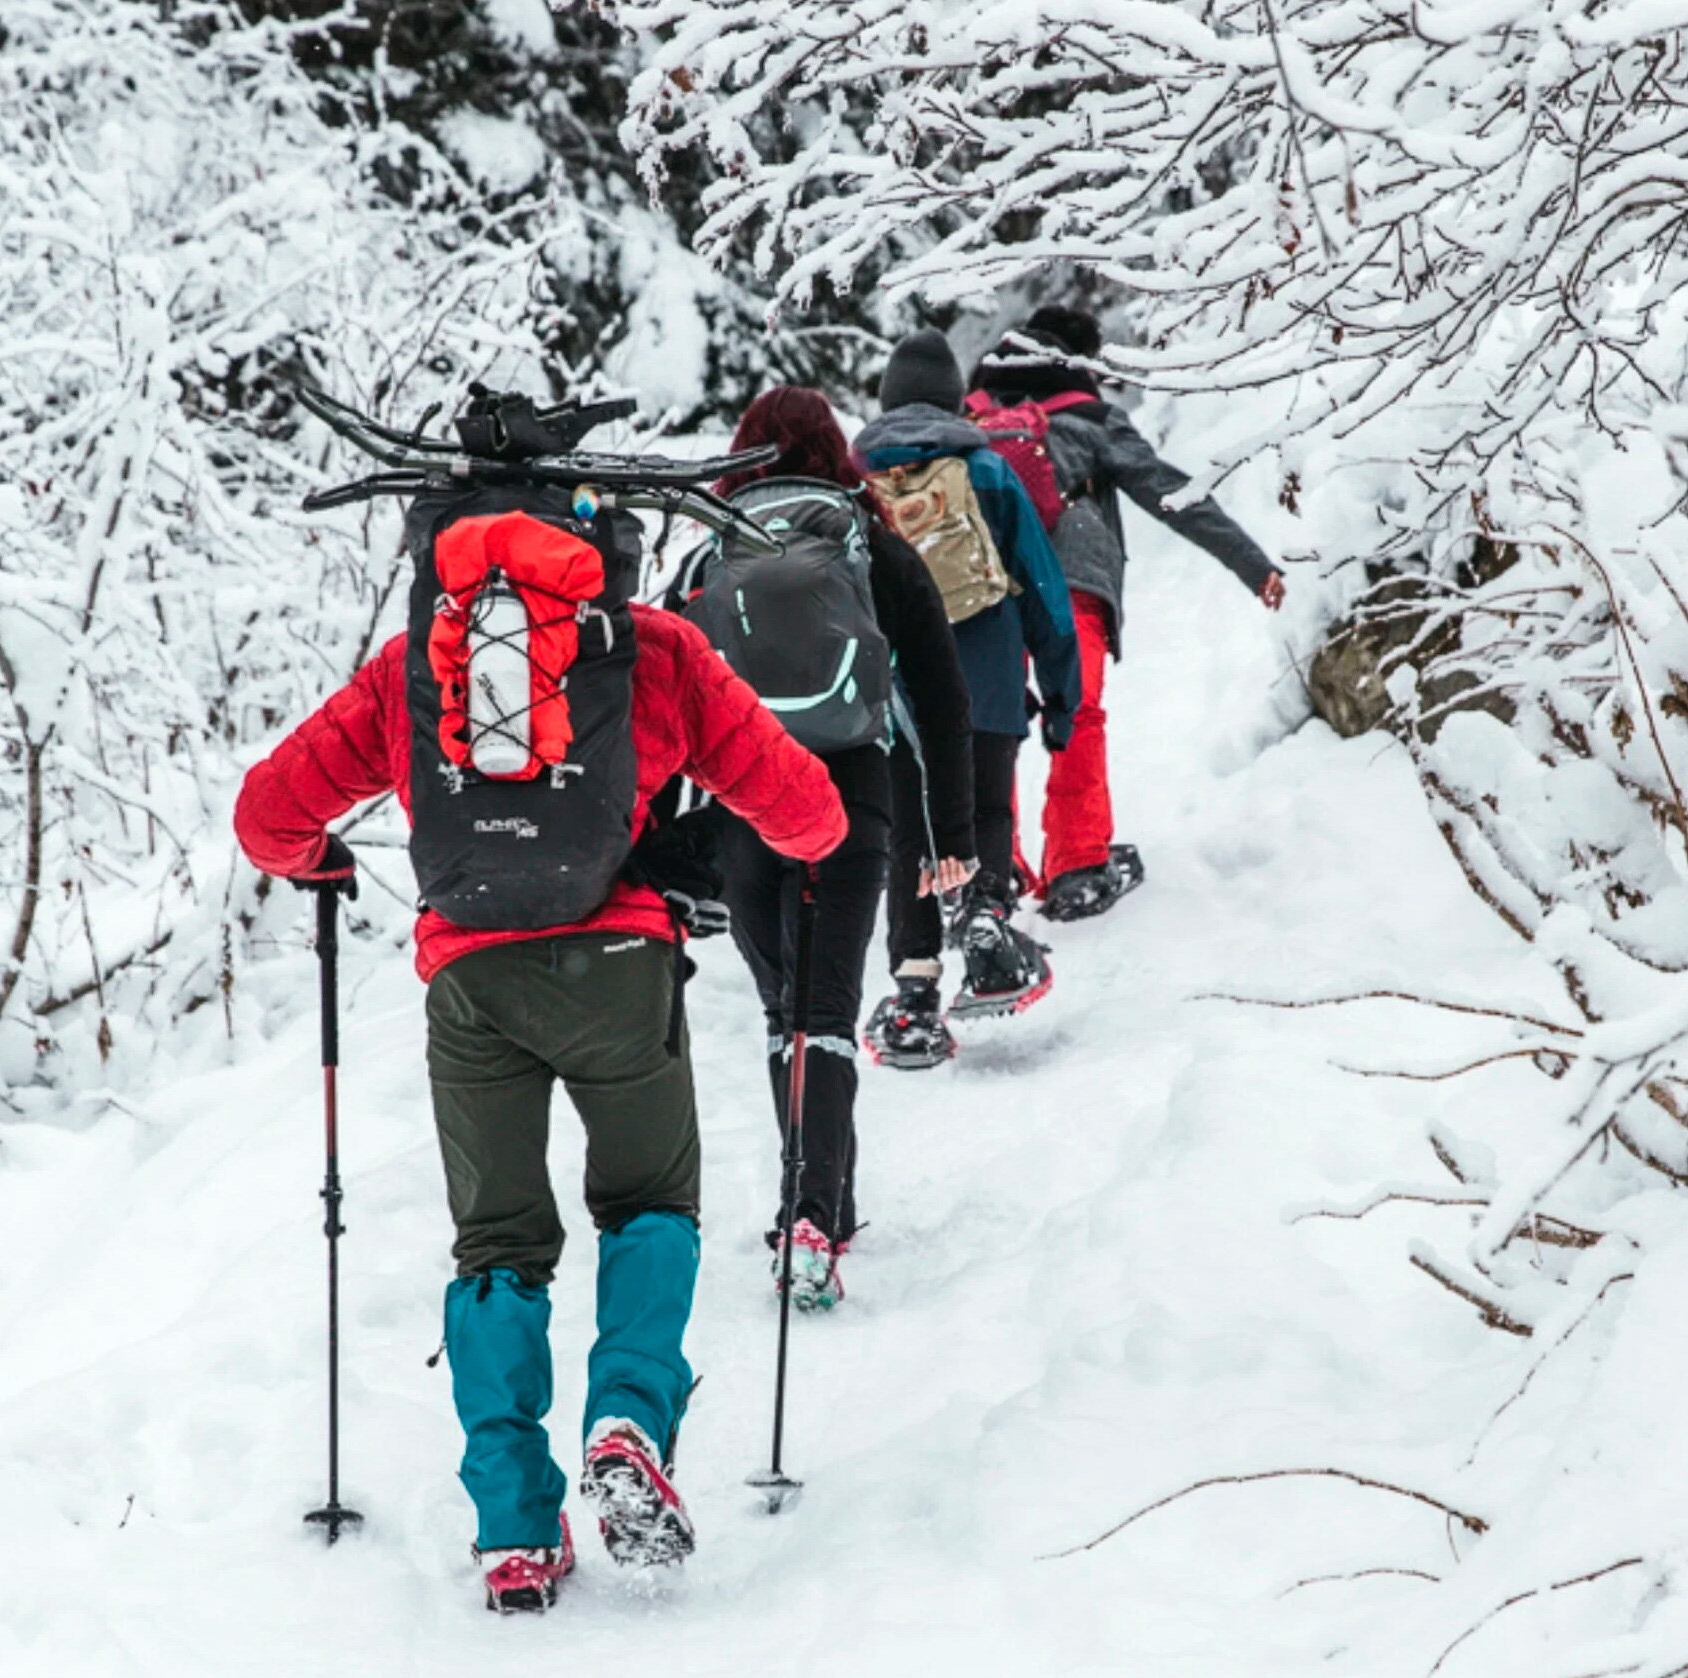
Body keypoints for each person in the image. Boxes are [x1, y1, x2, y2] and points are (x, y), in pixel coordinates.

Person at [234, 566, 845, 1611]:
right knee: (651, 1201)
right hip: (619, 964)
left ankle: (514, 1529)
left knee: (498, 1244)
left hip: (472, 981)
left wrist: (319, 857)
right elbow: (811, 817)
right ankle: (629, 1420)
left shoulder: (418, 668)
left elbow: (266, 815)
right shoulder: (652, 649)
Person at [670, 387, 975, 1309]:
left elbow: (666, 691)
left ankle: (808, 1205)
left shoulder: (709, 548)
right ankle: (817, 1214)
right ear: (835, 449)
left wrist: (670, 833)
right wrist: (950, 835)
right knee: (831, 1009)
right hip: (852, 788)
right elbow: (942, 693)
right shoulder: (868, 542)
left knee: (784, 1012)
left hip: (745, 795)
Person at [969, 305, 1285, 921]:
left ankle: (991, 869)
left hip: (985, 586)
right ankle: (1077, 867)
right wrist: (1253, 565)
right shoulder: (1091, 418)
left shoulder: (970, 419)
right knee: (1077, 713)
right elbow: (1172, 493)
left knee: (989, 723)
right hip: (1070, 583)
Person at [853, 328, 1082, 1066]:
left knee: (908, 837)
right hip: (982, 680)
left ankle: (914, 996)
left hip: (893, 694)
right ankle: (984, 924)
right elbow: (1043, 585)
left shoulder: (854, 477)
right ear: (958, 400)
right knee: (985, 807)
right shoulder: (984, 468)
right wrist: (1061, 693)